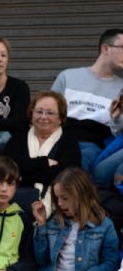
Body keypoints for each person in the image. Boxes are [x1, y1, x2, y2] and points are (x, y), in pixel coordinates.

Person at [52, 28, 123, 170]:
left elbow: (118, 136)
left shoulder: (121, 88)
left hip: (94, 146)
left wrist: (115, 119)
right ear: (105, 49)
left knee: (83, 157)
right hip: (59, 140)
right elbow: (47, 111)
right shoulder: (68, 77)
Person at [3, 91, 81, 215]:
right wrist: (44, 162)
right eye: (39, 111)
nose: (43, 117)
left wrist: (23, 176)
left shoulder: (69, 141)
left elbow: (65, 175)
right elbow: (8, 167)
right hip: (16, 203)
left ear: (60, 118)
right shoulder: (18, 139)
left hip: (58, 206)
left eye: (50, 113)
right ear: (31, 114)